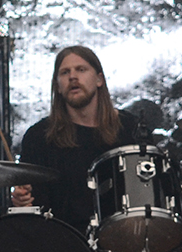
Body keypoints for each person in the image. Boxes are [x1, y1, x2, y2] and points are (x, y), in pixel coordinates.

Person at [13, 45, 141, 235]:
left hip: (125, 240)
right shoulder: (39, 137)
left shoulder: (129, 127)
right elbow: (33, 210)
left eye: (81, 70)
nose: (73, 77)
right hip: (64, 247)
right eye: (65, 72)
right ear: (57, 85)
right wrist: (21, 202)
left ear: (99, 79)